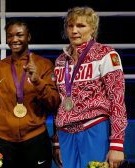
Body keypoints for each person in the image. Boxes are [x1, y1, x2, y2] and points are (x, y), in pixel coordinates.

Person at [53, 6, 128, 168]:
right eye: (70, 25)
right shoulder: (60, 61)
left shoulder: (106, 55)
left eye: (81, 26)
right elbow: (62, 102)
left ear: (93, 29)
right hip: (66, 134)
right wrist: (57, 141)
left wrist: (117, 144)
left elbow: (117, 100)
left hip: (94, 128)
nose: (74, 30)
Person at [0, 18, 60, 168]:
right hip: (2, 141)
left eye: (19, 35)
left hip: (35, 139)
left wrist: (37, 81)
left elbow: (54, 103)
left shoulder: (44, 65)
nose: (14, 39)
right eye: (10, 36)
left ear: (28, 37)